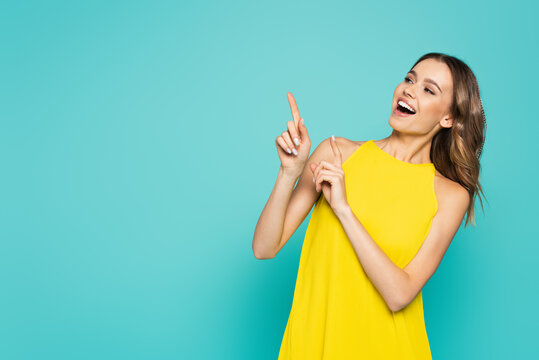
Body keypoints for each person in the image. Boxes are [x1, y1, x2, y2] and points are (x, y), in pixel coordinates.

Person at [252, 52, 487, 359]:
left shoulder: (450, 195)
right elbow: (264, 248)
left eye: (429, 90)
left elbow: (399, 295)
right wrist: (289, 173)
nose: (409, 90)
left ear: (449, 118)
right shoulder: (337, 154)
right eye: (409, 79)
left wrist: (344, 210)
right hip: (315, 346)